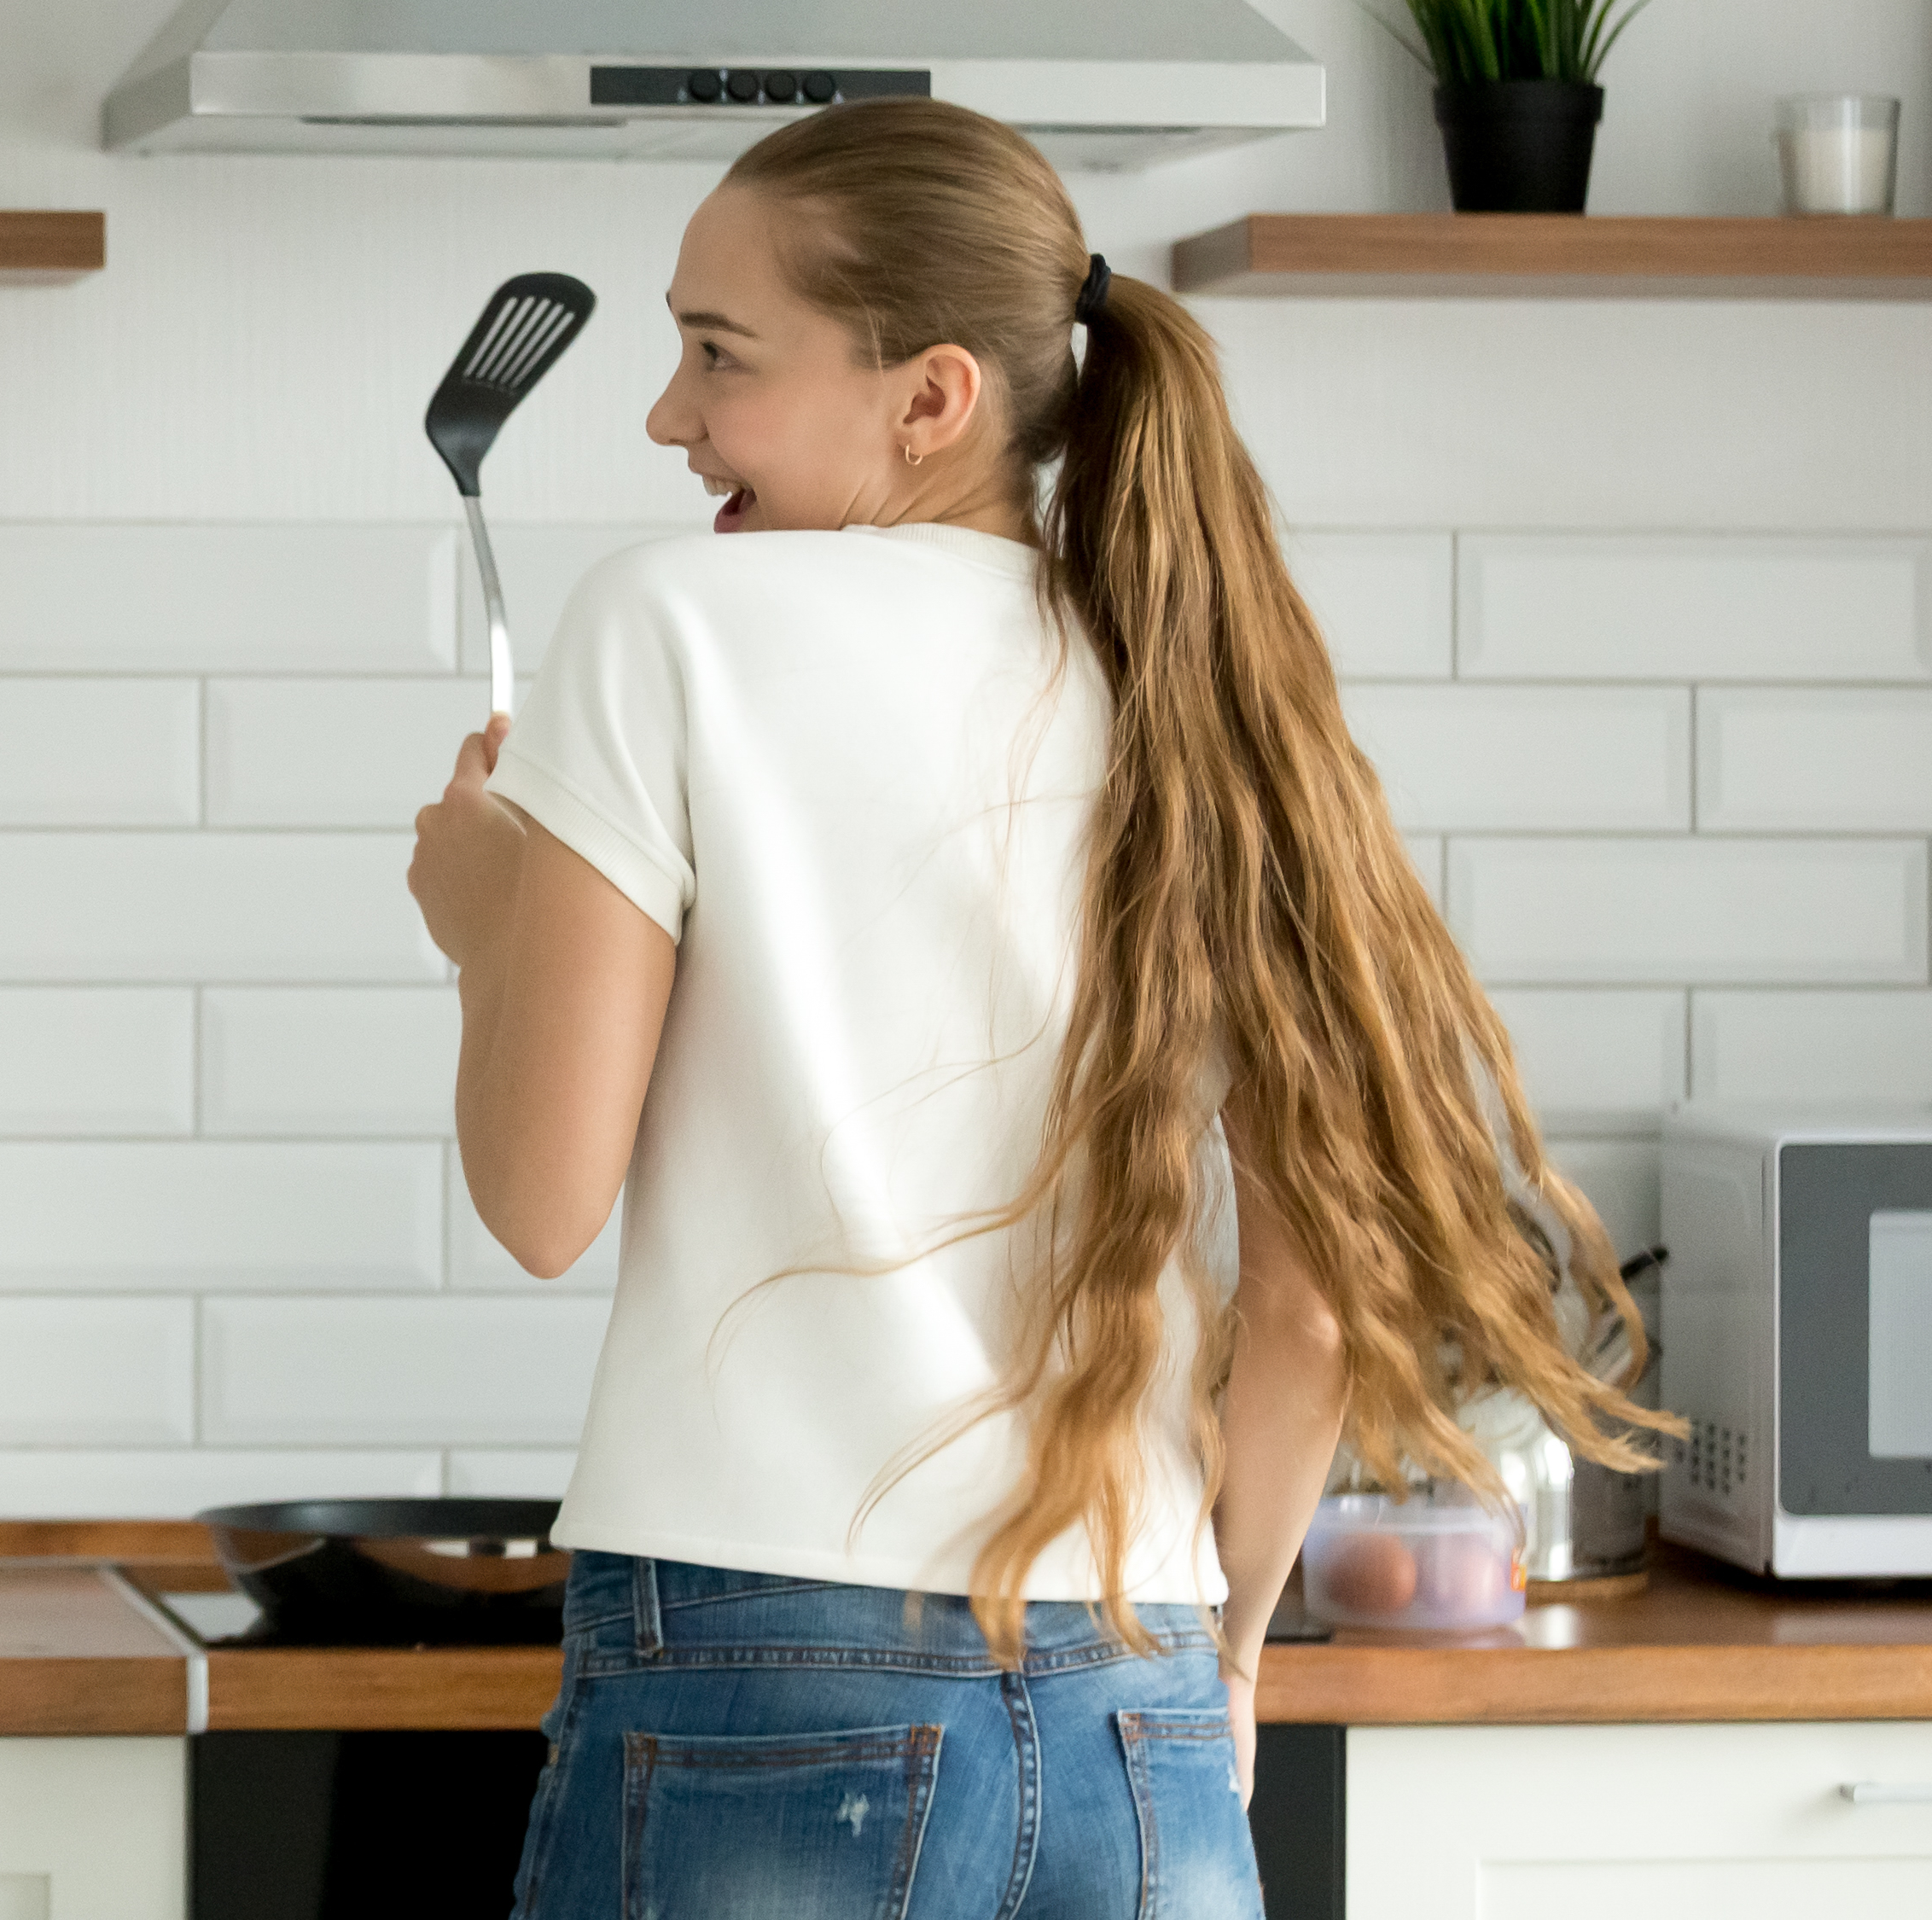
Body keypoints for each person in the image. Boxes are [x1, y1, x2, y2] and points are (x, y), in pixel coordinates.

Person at [408, 97, 1659, 1918]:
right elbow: (1310, 1293)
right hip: (1136, 1711)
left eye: (715, 353)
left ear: (930, 398)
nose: (668, 413)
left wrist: (484, 922)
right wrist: (1226, 1649)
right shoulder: (1189, 675)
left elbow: (539, 1199)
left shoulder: (665, 623)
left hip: (761, 1679)